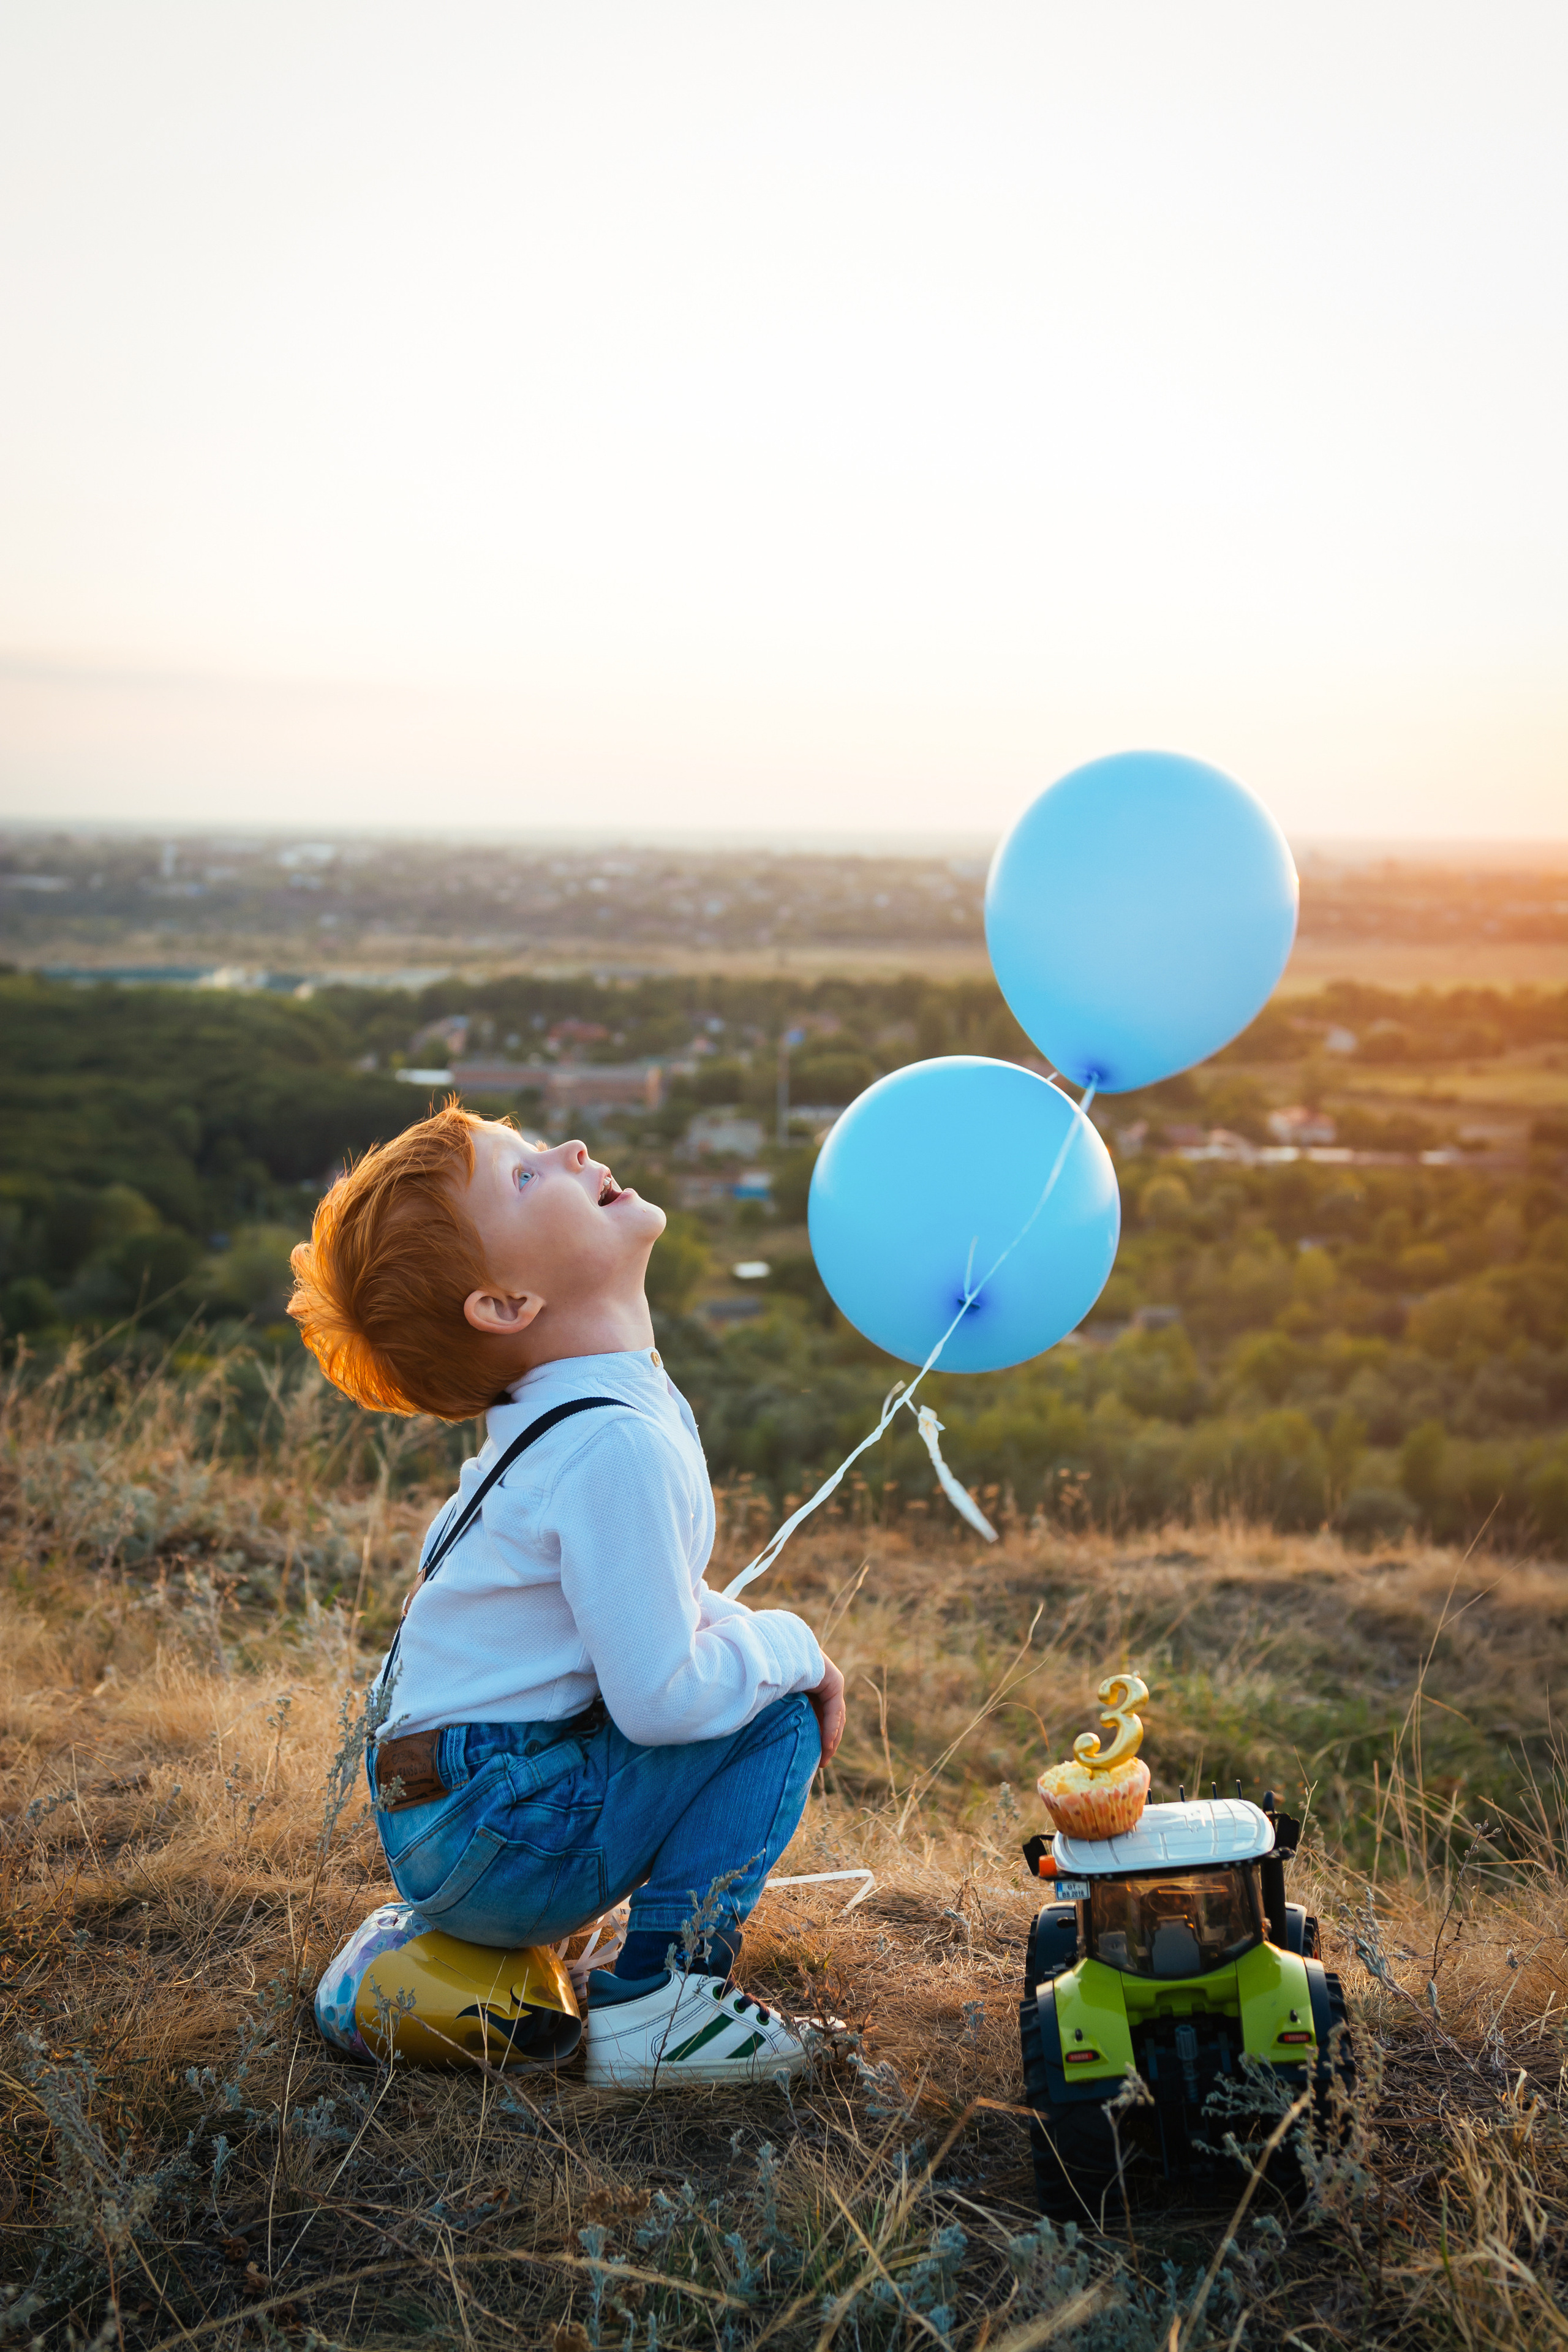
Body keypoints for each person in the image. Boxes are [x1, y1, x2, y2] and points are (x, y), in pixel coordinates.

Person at [287, 1102, 846, 2087]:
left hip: (451, 1819)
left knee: (754, 1670)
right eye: (524, 1175)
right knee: (776, 1714)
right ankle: (663, 2002)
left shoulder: (571, 1419)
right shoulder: (613, 1441)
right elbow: (663, 1697)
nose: (570, 1150)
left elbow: (639, 1604)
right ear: (504, 1304)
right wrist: (794, 1650)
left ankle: (525, 1948)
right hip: (498, 1834)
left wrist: (753, 1631)